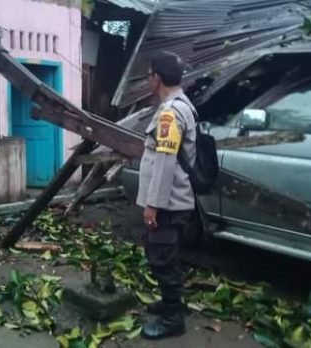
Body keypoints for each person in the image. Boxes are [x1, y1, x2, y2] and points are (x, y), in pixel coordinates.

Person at [138, 51, 197, 339]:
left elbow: (164, 161)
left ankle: (173, 318)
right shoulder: (181, 105)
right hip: (174, 200)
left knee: (162, 257)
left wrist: (153, 205)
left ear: (156, 78)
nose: (149, 79)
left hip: (168, 202)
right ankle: (171, 303)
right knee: (166, 255)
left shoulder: (170, 113)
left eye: (149, 75)